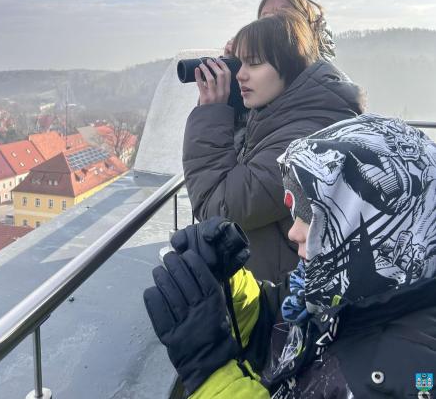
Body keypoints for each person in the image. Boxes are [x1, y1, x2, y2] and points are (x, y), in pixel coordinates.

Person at [145, 114, 436, 398]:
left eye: (312, 216)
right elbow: (281, 327)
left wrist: (211, 375)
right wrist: (224, 287)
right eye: (297, 212)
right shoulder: (345, 290)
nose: (294, 232)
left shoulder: (406, 377)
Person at [183, 11, 365, 282]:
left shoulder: (302, 141)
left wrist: (211, 112)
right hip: (276, 276)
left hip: (282, 295)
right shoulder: (283, 113)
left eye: (253, 63)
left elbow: (217, 207)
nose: (240, 75)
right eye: (240, 63)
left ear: (290, 67)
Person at [225, 0, 335, 63]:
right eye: (265, 16)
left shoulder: (324, 76)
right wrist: (235, 62)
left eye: (283, 13)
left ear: (305, 19)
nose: (272, 20)